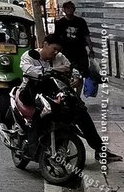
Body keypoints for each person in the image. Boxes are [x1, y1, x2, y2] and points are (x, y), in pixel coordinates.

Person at [19, 34, 122, 162]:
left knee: (80, 111)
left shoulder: (60, 57)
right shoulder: (29, 55)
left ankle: (100, 150)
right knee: (40, 112)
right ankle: (31, 149)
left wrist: (76, 78)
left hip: (54, 91)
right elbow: (30, 70)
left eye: (58, 50)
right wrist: (54, 69)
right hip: (30, 91)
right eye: (54, 49)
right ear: (45, 44)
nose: (56, 52)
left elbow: (72, 70)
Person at [54, 1, 94, 84]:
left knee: (81, 74)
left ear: (74, 9)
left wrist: (91, 49)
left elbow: (86, 36)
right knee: (67, 73)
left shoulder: (80, 21)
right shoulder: (60, 23)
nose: (69, 10)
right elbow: (56, 38)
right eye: (67, 8)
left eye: (71, 8)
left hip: (80, 52)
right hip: (66, 52)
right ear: (64, 10)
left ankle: (78, 95)